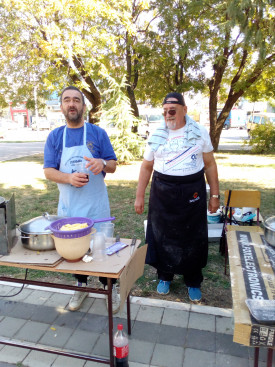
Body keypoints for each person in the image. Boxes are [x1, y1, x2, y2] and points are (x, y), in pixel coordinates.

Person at [134, 92, 219, 302]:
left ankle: (193, 280)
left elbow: (210, 164)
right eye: (164, 111)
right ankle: (165, 275)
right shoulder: (157, 134)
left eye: (172, 110)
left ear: (184, 110)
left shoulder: (199, 132)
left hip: (193, 190)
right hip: (163, 190)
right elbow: (146, 167)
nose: (168, 114)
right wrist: (139, 197)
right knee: (163, 234)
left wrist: (215, 195)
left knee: (193, 235)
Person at [43, 86, 119, 312]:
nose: (72, 104)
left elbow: (113, 165)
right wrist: (68, 177)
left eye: (76, 100)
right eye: (67, 100)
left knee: (102, 250)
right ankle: (80, 285)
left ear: (84, 106)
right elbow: (48, 171)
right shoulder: (55, 137)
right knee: (75, 251)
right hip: (70, 208)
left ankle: (110, 288)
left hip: (97, 206)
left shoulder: (98, 133)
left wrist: (102, 164)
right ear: (62, 107)